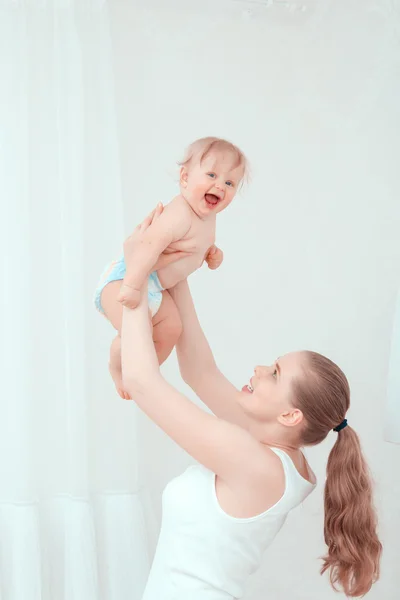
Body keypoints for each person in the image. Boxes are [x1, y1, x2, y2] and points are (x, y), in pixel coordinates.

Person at [120, 206, 382, 600]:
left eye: (275, 373)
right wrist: (172, 266)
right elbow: (199, 372)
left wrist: (134, 273)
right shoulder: (279, 454)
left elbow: (141, 381)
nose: (259, 369)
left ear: (291, 414)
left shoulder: (255, 462)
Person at [94, 136, 248, 399]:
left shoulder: (206, 217)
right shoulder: (179, 213)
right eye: (211, 174)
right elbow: (148, 245)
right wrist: (132, 284)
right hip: (125, 278)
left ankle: (140, 372)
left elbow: (195, 247)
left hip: (154, 287)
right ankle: (119, 365)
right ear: (185, 178)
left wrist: (211, 254)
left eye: (229, 182)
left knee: (171, 329)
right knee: (138, 335)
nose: (219, 185)